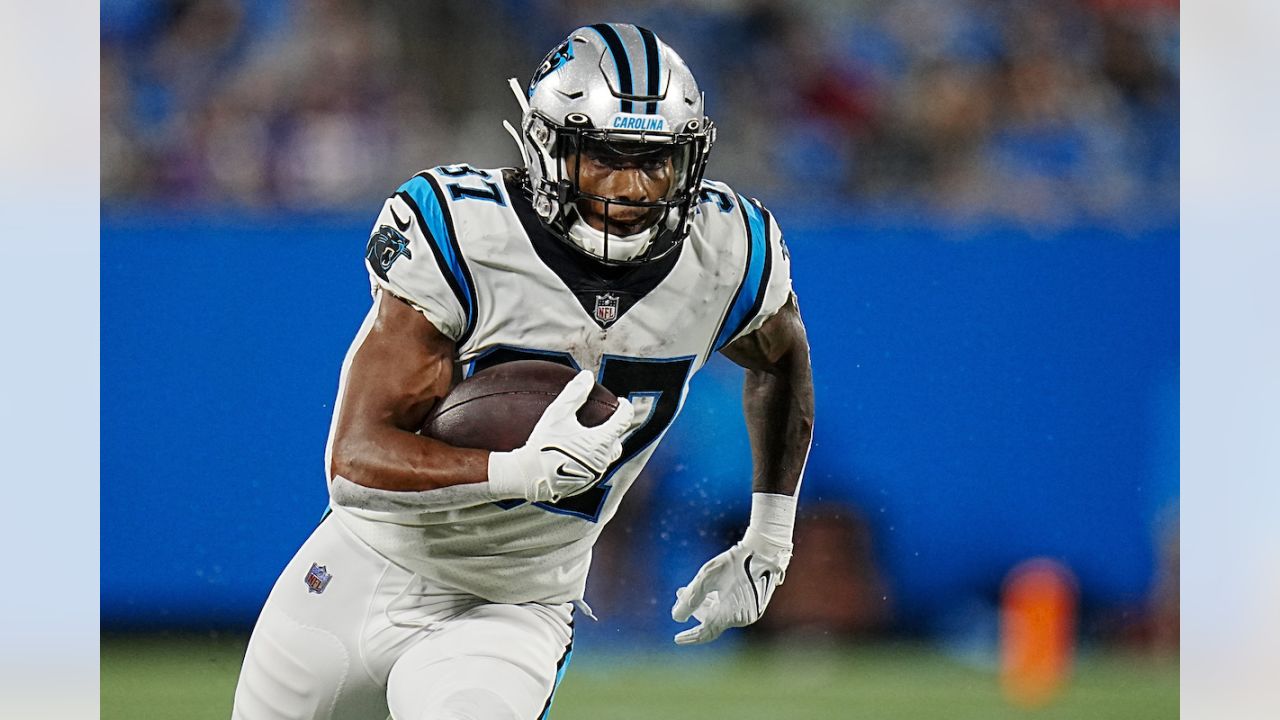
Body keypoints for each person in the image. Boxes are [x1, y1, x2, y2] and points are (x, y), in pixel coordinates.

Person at [232, 22, 814, 720]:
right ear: (548, 148)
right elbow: (355, 462)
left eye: (655, 160)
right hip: (366, 564)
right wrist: (517, 470)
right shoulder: (466, 232)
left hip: (516, 603)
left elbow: (781, 360)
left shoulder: (727, 249)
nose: (632, 186)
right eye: (605, 157)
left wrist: (769, 534)